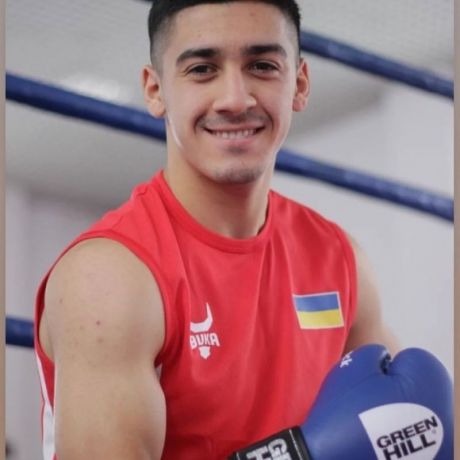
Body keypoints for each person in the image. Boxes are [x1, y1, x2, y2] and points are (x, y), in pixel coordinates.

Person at [34, 1, 399, 459]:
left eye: (262, 66)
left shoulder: (339, 259)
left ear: (299, 84)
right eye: (202, 69)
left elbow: (399, 416)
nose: (235, 99)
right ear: (155, 90)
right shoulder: (111, 277)